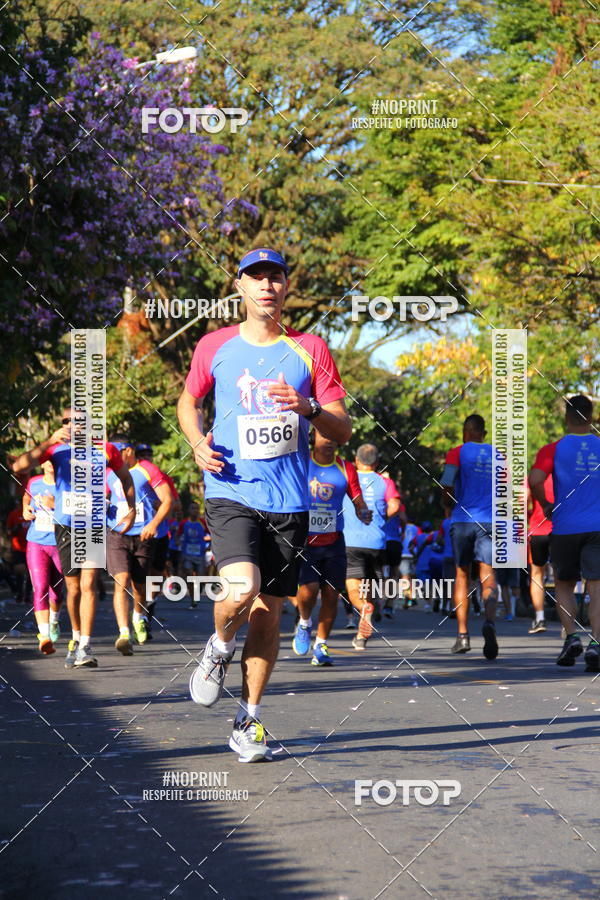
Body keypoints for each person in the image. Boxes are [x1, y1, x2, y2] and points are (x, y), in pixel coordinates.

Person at [177, 247, 351, 762]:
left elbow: (340, 429)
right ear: (240, 288)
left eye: (274, 277)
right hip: (231, 489)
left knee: (268, 614)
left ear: (285, 287)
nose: (266, 285)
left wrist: (309, 406)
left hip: (289, 500)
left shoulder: (311, 349)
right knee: (241, 588)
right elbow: (189, 401)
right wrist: (195, 441)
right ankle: (217, 648)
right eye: (256, 277)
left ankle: (248, 720)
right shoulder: (214, 346)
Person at [11, 410, 136, 668]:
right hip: (65, 525)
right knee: (74, 588)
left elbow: (125, 476)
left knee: (89, 583)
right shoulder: (55, 450)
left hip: (93, 523)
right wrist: (48, 442)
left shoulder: (105, 450)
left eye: (78, 421)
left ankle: (85, 645)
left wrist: (131, 509)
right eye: (67, 422)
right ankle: (76, 638)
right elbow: (19, 466)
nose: (73, 425)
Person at [529, 394, 600, 670]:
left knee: (564, 584)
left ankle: (571, 637)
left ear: (566, 418)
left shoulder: (553, 449)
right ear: (592, 417)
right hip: (597, 527)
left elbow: (535, 480)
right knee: (596, 587)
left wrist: (546, 505)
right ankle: (596, 644)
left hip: (566, 527)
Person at [292, 430, 370, 667]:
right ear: (314, 438)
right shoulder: (302, 461)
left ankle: (321, 645)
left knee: (331, 594)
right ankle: (304, 622)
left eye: (333, 438)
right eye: (324, 436)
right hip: (306, 540)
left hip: (334, 541)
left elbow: (358, 499)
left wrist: (363, 511)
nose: (329, 441)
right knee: (309, 589)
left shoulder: (346, 468)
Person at [106, 436, 172, 655]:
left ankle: (139, 617)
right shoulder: (108, 473)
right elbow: (100, 498)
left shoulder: (148, 469)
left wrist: (154, 524)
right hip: (117, 533)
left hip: (143, 534)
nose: (112, 458)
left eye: (116, 452)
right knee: (121, 581)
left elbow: (167, 500)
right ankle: (124, 633)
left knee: (139, 585)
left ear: (128, 451)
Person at [441, 414, 499, 659]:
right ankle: (489, 622)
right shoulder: (499, 455)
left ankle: (462, 635)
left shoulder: (457, 452)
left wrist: (447, 504)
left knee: (462, 575)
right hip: (490, 521)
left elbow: (446, 483)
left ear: (465, 432)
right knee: (488, 574)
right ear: (483, 433)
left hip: (463, 520)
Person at [342, 444, 402, 650]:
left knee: (353, 589)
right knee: (368, 586)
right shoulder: (385, 482)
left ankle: (363, 609)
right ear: (376, 463)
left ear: (356, 461)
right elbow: (394, 505)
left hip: (350, 541)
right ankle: (361, 635)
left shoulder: (347, 477)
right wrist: (382, 518)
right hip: (377, 543)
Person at [136, 443, 179, 637]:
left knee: (155, 575)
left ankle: (148, 611)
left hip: (160, 534)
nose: (146, 457)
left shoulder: (163, 478)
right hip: (136, 533)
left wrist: (162, 504)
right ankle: (138, 615)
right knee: (139, 576)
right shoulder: (130, 475)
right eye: (142, 454)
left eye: (149, 454)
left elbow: (176, 505)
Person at [23, 461, 64, 654]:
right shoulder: (34, 482)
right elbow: (26, 498)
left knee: (56, 591)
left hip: (61, 543)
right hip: (36, 542)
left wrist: (54, 504)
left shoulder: (67, 484)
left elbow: (80, 509)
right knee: (39, 587)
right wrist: (26, 509)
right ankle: (45, 635)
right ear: (42, 463)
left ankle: (54, 620)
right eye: (47, 460)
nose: (51, 464)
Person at [527, 480, 553, 633]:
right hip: (561, 529)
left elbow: (523, 500)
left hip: (538, 529)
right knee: (561, 577)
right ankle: (566, 621)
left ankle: (540, 618)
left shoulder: (536, 476)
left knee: (537, 575)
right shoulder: (566, 472)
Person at [180, 501, 211, 607]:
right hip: (187, 554)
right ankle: (193, 599)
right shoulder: (184, 523)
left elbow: (211, 534)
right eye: (193, 508)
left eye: (197, 508)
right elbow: (178, 535)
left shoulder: (202, 522)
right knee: (189, 575)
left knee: (200, 577)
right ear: (188, 510)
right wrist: (177, 541)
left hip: (200, 554)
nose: (195, 510)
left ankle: (198, 591)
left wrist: (209, 545)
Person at [6, 498, 30, 604]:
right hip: (18, 548)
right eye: (17, 504)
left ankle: (28, 595)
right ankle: (19, 594)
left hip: (31, 547)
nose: (19, 506)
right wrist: (16, 528)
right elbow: (9, 532)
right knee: (19, 572)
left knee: (30, 573)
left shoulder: (31, 512)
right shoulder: (13, 514)